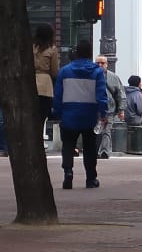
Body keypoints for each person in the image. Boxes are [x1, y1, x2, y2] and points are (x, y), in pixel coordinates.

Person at [52, 39, 108, 189]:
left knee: (68, 145)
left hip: (69, 113)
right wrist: (103, 113)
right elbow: (101, 95)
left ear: (76, 52)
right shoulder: (97, 72)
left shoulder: (65, 71)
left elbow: (58, 94)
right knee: (90, 148)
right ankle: (91, 178)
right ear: (90, 54)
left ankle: (68, 172)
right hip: (89, 115)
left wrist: (57, 111)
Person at [95, 55, 126, 159]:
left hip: (109, 109)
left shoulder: (113, 77)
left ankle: (104, 151)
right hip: (93, 109)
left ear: (107, 64)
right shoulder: (90, 76)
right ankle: (96, 150)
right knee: (94, 130)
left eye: (102, 63)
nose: (100, 65)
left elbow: (120, 93)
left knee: (106, 130)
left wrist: (121, 110)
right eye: (97, 63)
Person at [33, 24, 60, 141]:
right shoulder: (52, 49)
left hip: (31, 82)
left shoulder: (32, 47)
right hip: (45, 84)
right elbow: (54, 71)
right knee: (42, 116)